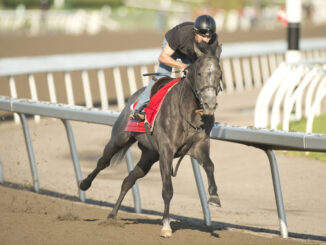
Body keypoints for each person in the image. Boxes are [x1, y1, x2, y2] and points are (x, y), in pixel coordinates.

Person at [132, 14, 219, 121]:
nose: (206, 40)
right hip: (173, 49)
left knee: (198, 77)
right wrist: (183, 66)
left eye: (209, 36)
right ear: (195, 32)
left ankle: (200, 105)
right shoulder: (181, 34)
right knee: (162, 75)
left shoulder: (213, 41)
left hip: (190, 53)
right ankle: (139, 108)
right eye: (203, 36)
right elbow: (163, 57)